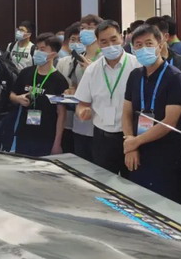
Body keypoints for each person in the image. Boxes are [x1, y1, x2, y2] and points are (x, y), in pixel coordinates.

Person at [123, 23, 181, 203]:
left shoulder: (175, 77)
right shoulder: (135, 75)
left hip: (166, 153)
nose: (143, 48)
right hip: (138, 151)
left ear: (160, 45)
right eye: (138, 45)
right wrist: (130, 143)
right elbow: (126, 113)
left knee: (167, 206)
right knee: (139, 204)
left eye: (149, 43)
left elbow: (170, 122)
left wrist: (135, 142)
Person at [75, 20, 140, 174]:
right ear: (98, 43)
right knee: (103, 182)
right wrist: (82, 111)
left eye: (113, 39)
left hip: (131, 137)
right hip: (102, 138)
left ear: (122, 38)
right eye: (104, 42)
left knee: (131, 183)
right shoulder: (92, 70)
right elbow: (82, 104)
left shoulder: (137, 66)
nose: (110, 45)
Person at [8, 33, 68, 157]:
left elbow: (61, 113)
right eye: (37, 48)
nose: (37, 52)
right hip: (24, 133)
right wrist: (17, 98)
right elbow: (11, 94)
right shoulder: (26, 73)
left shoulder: (59, 80)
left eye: (42, 49)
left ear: (53, 54)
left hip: (46, 136)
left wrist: (57, 143)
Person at [146, 16, 181, 139]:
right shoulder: (143, 63)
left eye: (155, 36)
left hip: (177, 128)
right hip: (148, 126)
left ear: (165, 36)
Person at [69, 14, 103, 158]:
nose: (85, 31)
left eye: (90, 28)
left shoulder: (104, 57)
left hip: (99, 119)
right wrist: (71, 90)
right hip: (80, 119)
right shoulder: (78, 56)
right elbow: (75, 84)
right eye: (83, 28)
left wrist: (92, 71)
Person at [55, 21, 83, 153]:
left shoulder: (92, 64)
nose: (76, 43)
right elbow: (58, 89)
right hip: (65, 119)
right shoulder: (62, 62)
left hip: (84, 120)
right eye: (73, 39)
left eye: (79, 40)